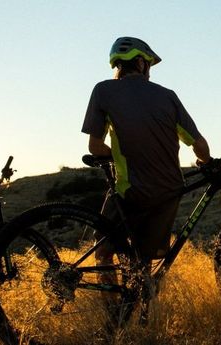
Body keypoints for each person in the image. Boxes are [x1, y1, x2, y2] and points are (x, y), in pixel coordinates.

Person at [82, 37, 211, 264]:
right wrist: (207, 161)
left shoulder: (104, 90)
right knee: (144, 260)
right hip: (168, 191)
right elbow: (199, 144)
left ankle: (113, 300)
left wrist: (121, 156)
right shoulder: (168, 95)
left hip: (130, 191)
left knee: (104, 252)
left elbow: (95, 147)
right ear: (141, 63)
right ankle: (143, 294)